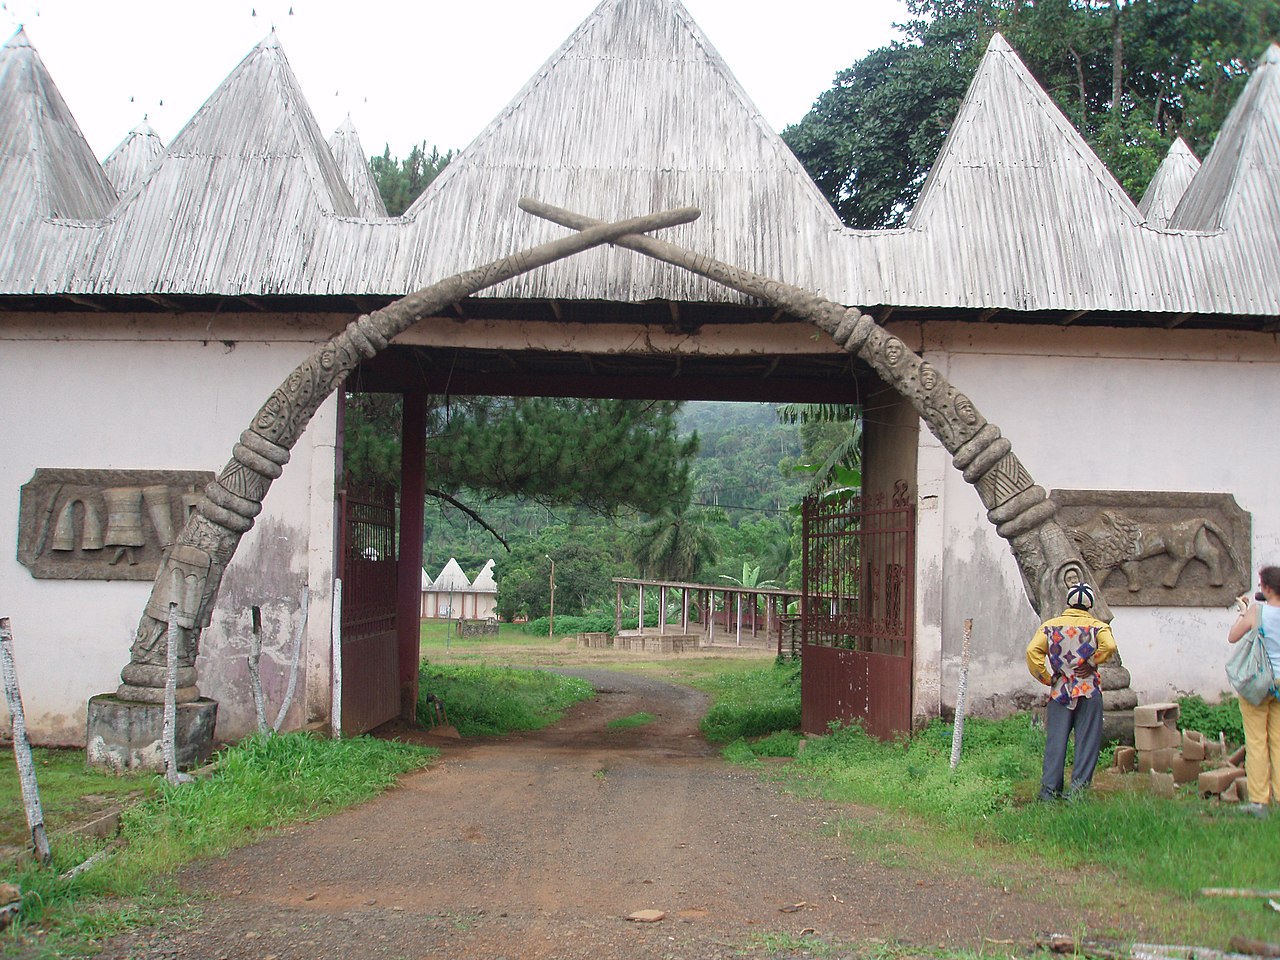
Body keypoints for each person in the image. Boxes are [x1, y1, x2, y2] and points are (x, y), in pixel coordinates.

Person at [1026, 582, 1118, 800]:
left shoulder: (1050, 627)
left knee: (1056, 741)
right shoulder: (1098, 627)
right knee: (1087, 741)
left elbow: (1032, 651)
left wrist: (1046, 677)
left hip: (1060, 691)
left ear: (1068, 602)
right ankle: (1077, 792)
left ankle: (1049, 791)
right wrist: (1093, 661)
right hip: (1088, 690)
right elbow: (1110, 646)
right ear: (1090, 605)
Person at [1228, 565, 1280, 816]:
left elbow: (1233, 637)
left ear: (1267, 588)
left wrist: (1243, 613)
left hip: (1258, 682)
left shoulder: (1257, 612)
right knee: (1278, 742)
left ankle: (1260, 801)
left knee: (1257, 741)